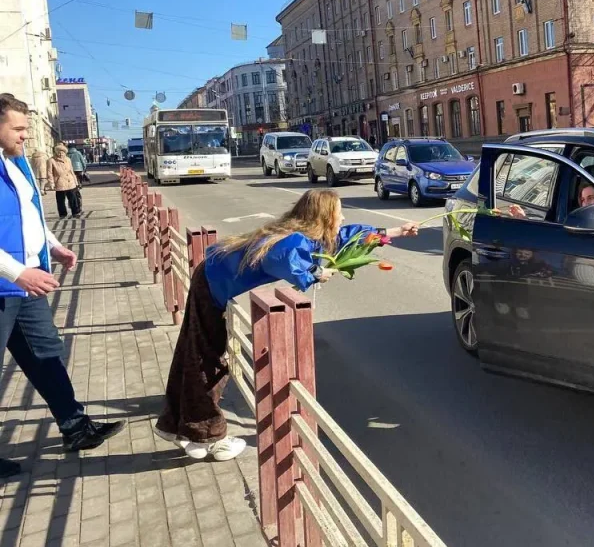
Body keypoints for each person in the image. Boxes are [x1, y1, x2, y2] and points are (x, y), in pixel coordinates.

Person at [154, 189, 419, 461]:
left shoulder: (307, 237)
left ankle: (175, 425)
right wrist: (315, 273)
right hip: (211, 284)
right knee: (206, 361)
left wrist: (396, 232)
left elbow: (347, 236)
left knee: (196, 351)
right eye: (338, 212)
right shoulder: (292, 240)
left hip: (212, 279)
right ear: (324, 216)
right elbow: (280, 260)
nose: (342, 217)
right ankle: (204, 436)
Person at [0, 94, 124, 478]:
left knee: (46, 354)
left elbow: (28, 216)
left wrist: (54, 247)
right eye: (18, 128)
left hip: (27, 285)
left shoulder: (16, 162)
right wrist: (16, 272)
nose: (25, 135)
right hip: (9, 284)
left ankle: (75, 426)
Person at [48, 145, 81, 218]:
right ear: (56, 152)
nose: (61, 154)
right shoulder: (51, 160)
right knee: (60, 200)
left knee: (73, 198)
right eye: (59, 152)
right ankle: (63, 214)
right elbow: (49, 173)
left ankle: (75, 212)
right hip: (60, 182)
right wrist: (51, 183)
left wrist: (76, 182)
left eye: (62, 152)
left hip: (70, 182)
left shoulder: (68, 159)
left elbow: (71, 171)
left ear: (65, 152)